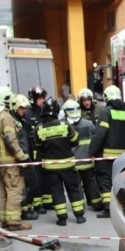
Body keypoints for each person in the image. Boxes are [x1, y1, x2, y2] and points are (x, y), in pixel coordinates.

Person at [34, 98, 85, 226]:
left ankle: (62, 218)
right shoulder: (65, 125)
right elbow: (75, 140)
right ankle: (79, 216)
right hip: (68, 165)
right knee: (73, 189)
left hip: (51, 168)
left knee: (57, 191)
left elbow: (38, 145)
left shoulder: (39, 128)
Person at [0, 86, 31, 231]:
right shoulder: (6, 117)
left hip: (0, 161)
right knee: (14, 189)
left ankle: (5, 220)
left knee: (5, 191)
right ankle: (14, 222)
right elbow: (11, 140)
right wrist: (21, 157)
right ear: (7, 100)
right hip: (10, 161)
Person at [89, 85, 125, 218]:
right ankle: (122, 205)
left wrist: (92, 151)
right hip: (123, 155)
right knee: (120, 179)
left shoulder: (106, 112)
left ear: (106, 97)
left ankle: (109, 208)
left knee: (105, 180)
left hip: (107, 155)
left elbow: (99, 134)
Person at [63, 99, 103, 211]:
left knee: (76, 186)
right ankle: (96, 203)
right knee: (91, 183)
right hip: (87, 161)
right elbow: (95, 139)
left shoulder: (65, 126)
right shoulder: (88, 124)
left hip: (73, 162)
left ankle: (79, 207)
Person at [9, 94, 41, 220]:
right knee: (25, 185)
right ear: (14, 107)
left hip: (27, 157)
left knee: (31, 183)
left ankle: (29, 207)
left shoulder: (21, 120)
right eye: (21, 108)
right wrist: (23, 158)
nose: (24, 110)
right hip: (22, 159)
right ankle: (25, 211)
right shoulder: (15, 122)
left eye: (24, 108)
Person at [26, 86, 52, 213]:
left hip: (46, 149)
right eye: (39, 99)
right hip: (34, 150)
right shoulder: (28, 113)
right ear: (33, 99)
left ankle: (48, 202)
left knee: (47, 176)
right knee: (36, 178)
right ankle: (38, 204)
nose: (42, 101)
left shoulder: (45, 112)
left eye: (43, 98)